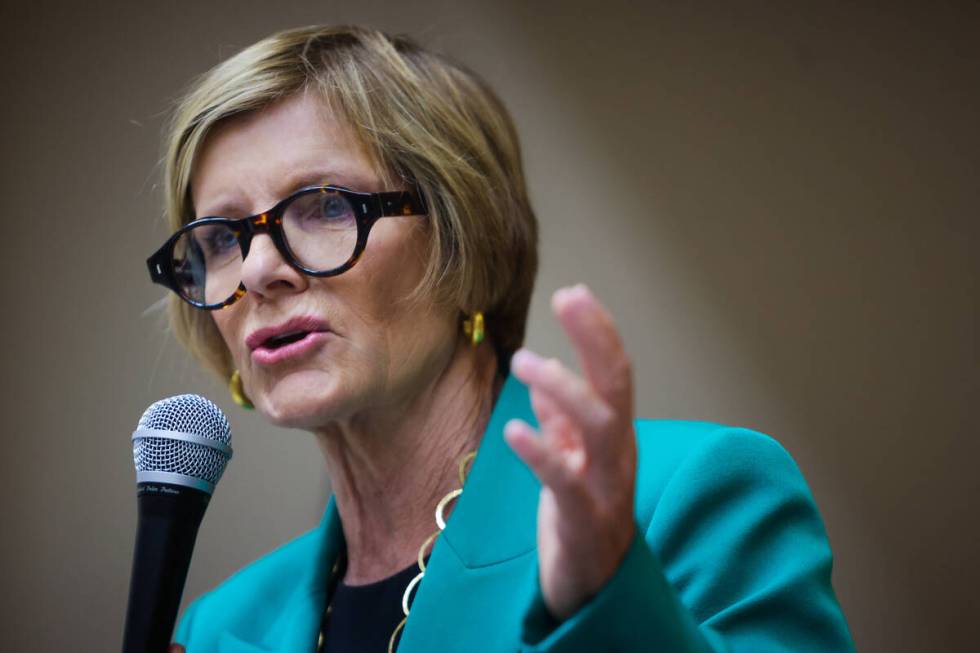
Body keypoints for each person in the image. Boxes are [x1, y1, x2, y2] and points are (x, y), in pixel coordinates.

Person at [147, 24, 855, 652]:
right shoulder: (217, 627)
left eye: (325, 205)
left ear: (465, 238)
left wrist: (607, 600)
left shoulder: (694, 494)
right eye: (220, 237)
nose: (260, 269)